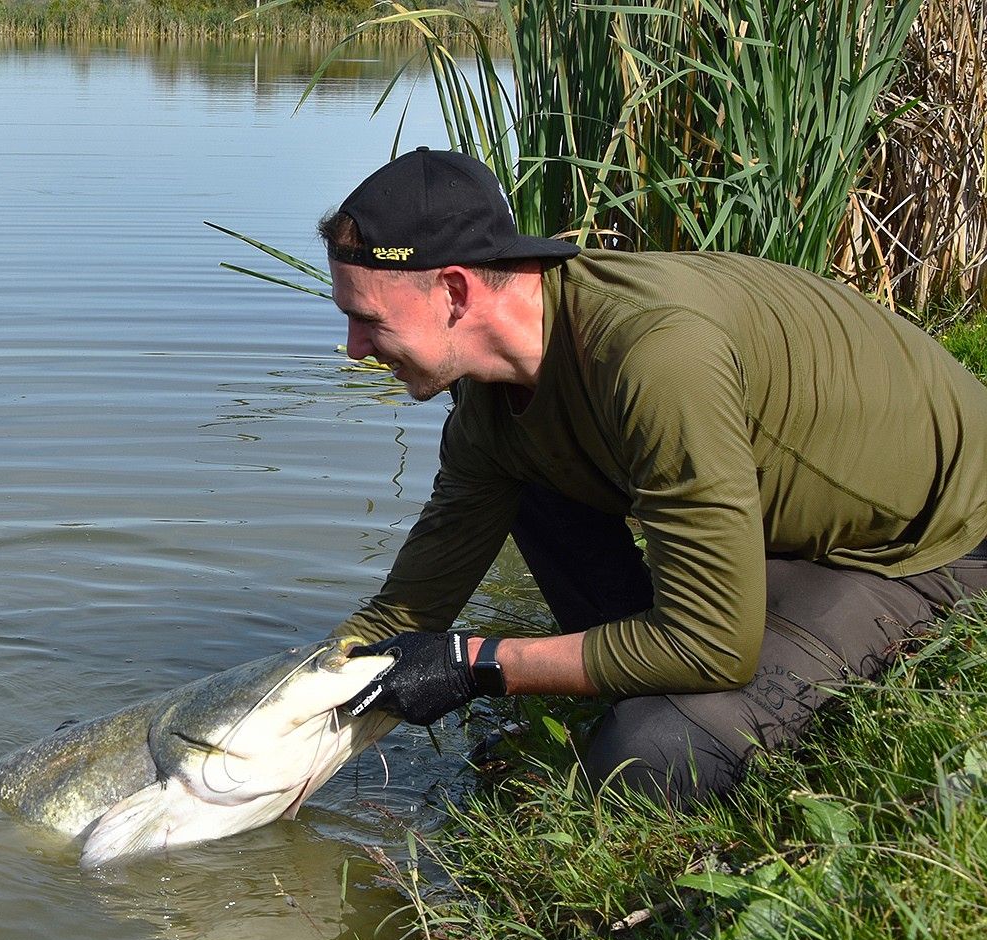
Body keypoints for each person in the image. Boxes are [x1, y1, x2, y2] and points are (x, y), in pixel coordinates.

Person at [327, 147, 987, 805]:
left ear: (454, 290)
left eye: (367, 320)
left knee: (648, 756)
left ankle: (665, 685)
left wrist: (476, 666)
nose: (354, 348)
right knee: (522, 478)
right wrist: (290, 703)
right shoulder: (490, 398)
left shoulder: (654, 355)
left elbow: (714, 643)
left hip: (926, 542)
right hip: (781, 529)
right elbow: (408, 610)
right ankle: (642, 668)